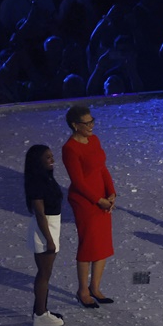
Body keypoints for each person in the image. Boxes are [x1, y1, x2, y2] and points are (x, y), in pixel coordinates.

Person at [62, 105, 116, 308]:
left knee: (101, 244)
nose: (91, 126)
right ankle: (83, 290)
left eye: (92, 121)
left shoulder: (94, 140)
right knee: (88, 245)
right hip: (85, 202)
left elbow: (102, 168)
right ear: (75, 125)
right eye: (87, 123)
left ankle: (95, 287)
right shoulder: (70, 148)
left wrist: (111, 193)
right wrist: (99, 200)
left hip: (101, 198)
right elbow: (78, 182)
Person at [24, 145, 65, 326]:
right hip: (45, 228)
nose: (52, 160)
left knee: (45, 273)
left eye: (52, 156)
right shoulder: (37, 182)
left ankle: (41, 310)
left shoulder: (45, 178)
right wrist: (49, 239)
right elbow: (40, 214)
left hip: (51, 225)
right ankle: (40, 314)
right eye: (47, 158)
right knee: (44, 274)